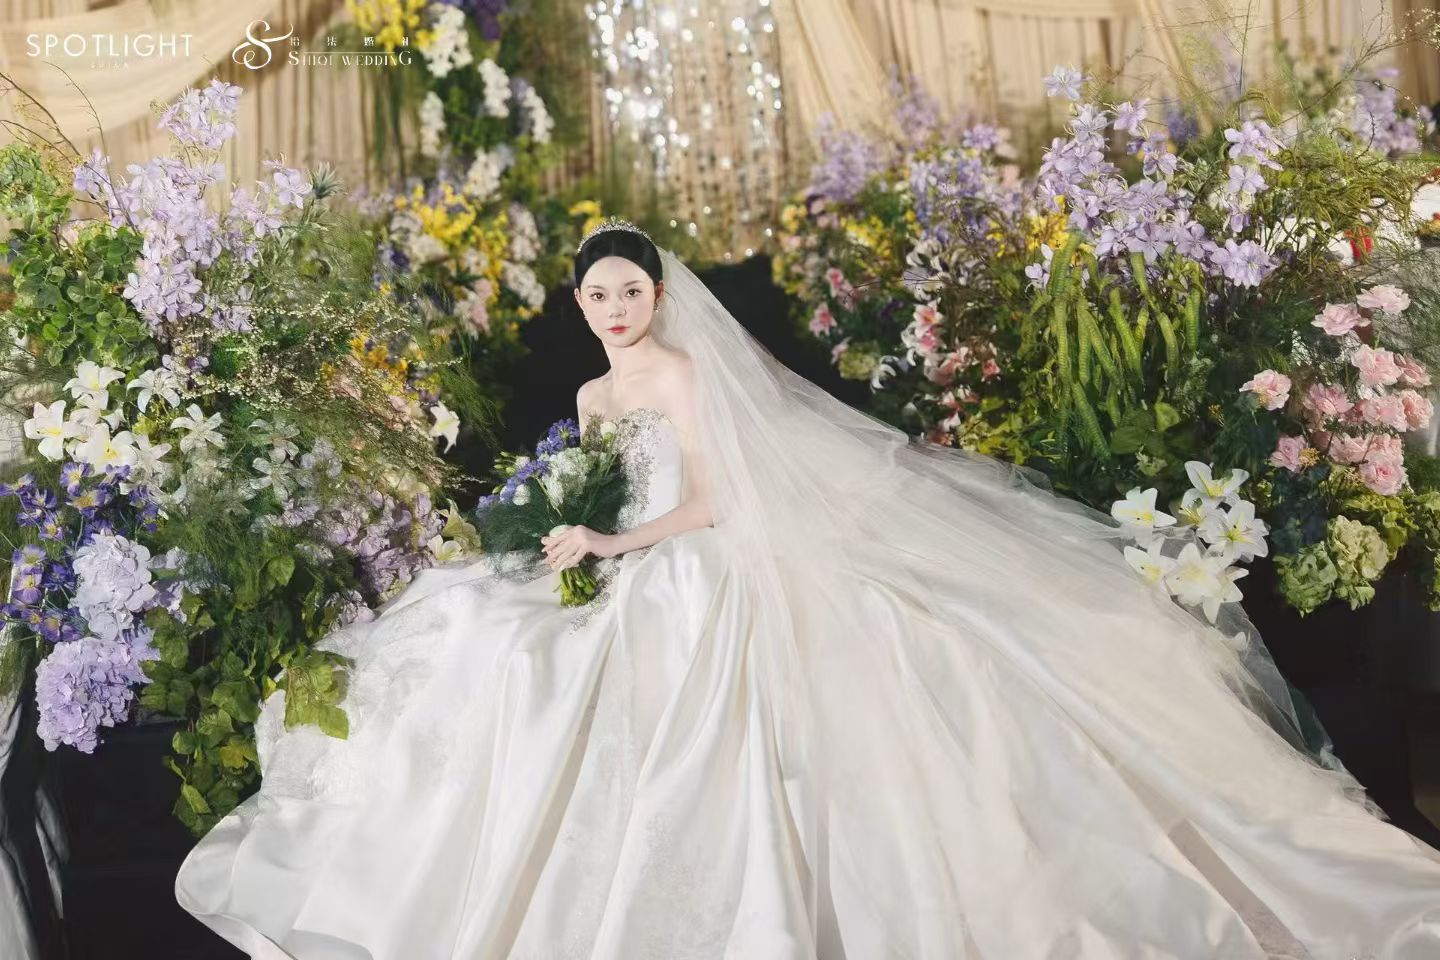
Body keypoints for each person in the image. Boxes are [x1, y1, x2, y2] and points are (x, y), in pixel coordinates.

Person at [175, 218, 1440, 959]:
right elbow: (602, 482)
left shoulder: (683, 377)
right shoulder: (592, 394)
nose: (615, 310)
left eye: (631, 291)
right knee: (481, 645)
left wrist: (616, 545)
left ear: (659, 296)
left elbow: (715, 502)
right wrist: (568, 540)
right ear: (578, 302)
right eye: (597, 295)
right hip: (621, 558)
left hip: (693, 558)